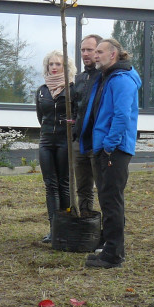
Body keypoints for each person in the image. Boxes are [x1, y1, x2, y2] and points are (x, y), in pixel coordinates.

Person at [78, 38, 142, 269]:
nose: (95, 55)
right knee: (107, 199)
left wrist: (108, 145)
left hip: (114, 150)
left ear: (113, 54)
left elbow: (122, 116)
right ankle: (110, 249)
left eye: (99, 52)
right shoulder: (108, 77)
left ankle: (113, 255)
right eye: (94, 51)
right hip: (106, 148)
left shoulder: (122, 80)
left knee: (112, 201)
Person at [35, 50, 76, 242]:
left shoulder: (72, 89)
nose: (54, 67)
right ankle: (54, 229)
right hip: (46, 141)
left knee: (64, 184)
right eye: (51, 64)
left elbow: (76, 114)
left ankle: (66, 227)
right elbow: (40, 116)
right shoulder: (42, 90)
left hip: (64, 140)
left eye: (58, 64)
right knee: (50, 185)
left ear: (65, 67)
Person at [71, 34, 102, 217]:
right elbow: (76, 108)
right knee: (82, 186)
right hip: (79, 141)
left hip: (98, 141)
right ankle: (85, 219)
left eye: (89, 49)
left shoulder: (105, 77)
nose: (85, 53)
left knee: (104, 187)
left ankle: (108, 226)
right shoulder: (79, 79)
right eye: (82, 50)